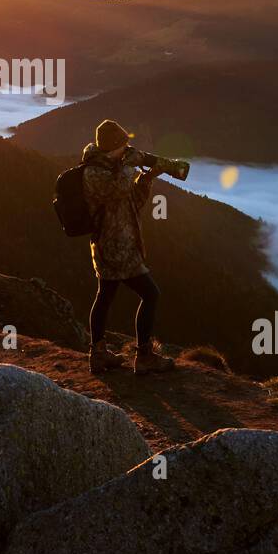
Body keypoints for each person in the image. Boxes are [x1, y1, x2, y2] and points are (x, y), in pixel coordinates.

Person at [81, 118, 174, 377]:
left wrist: (146, 179)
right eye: (123, 145)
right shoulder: (94, 172)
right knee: (150, 294)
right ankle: (143, 356)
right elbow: (118, 190)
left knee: (105, 296)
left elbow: (133, 200)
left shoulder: (113, 167)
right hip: (112, 247)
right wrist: (130, 166)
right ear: (113, 146)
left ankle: (98, 355)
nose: (127, 150)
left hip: (122, 245)